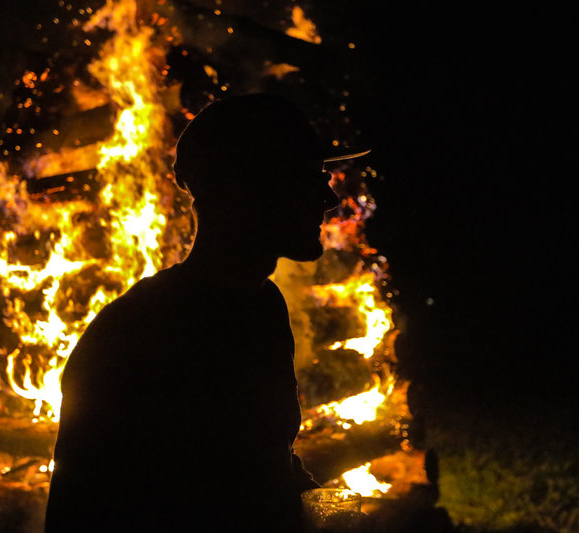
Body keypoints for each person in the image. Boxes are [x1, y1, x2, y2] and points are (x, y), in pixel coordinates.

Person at [44, 93, 369, 532]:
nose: (327, 199)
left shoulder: (262, 307)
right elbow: (82, 508)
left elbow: (260, 459)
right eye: (307, 178)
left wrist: (313, 501)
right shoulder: (136, 332)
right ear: (246, 190)